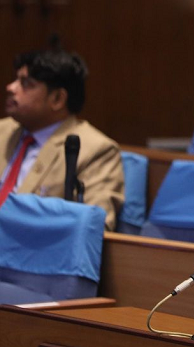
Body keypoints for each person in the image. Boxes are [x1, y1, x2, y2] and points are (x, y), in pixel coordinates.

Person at [1, 48, 124, 230]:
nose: (11, 87)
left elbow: (93, 228)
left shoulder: (96, 150)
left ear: (57, 99)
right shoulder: (3, 130)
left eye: (26, 84)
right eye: (16, 79)